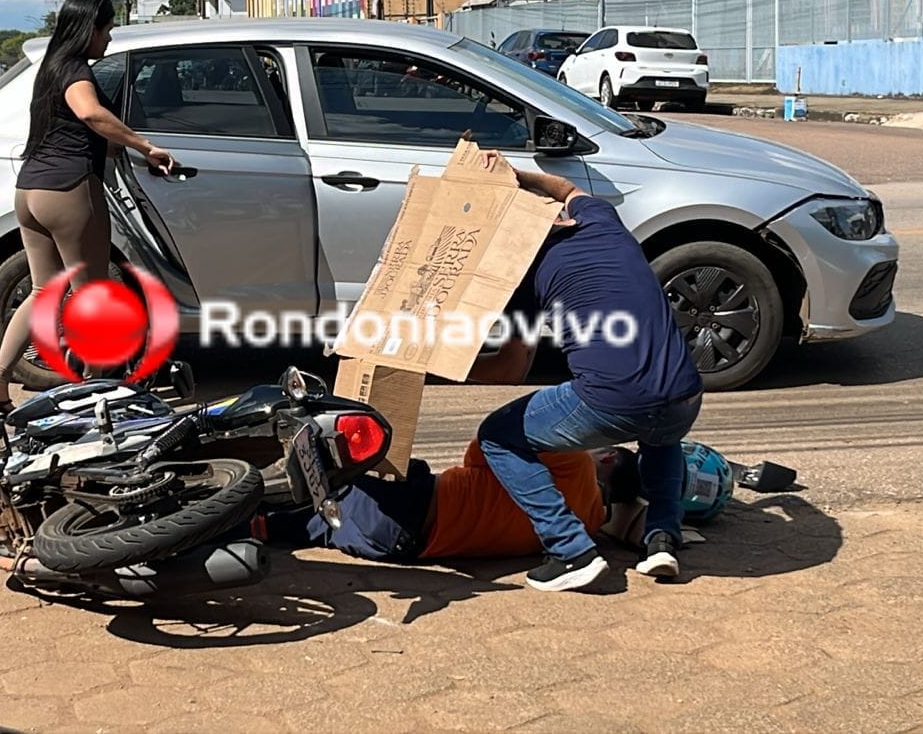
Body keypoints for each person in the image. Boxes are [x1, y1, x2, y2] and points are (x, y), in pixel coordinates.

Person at [467, 149, 704, 593]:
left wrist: (442, 369)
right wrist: (515, 174)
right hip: (686, 393)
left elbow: (511, 368)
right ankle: (661, 540)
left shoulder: (526, 272)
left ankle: (571, 550)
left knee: (499, 435)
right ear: (557, 218)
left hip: (613, 400)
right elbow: (565, 188)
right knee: (661, 433)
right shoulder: (599, 219)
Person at [0, 0, 176, 413]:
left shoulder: (49, 69)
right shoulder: (76, 72)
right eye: (105, 29)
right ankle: (93, 394)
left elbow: (77, 128)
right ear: (89, 29)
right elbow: (90, 114)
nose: (108, 39)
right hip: (68, 189)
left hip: (30, 190)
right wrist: (145, 147)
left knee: (42, 291)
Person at [254, 443, 648, 563]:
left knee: (356, 440)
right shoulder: (587, 529)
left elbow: (482, 449)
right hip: (398, 547)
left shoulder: (576, 461)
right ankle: (222, 527)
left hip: (413, 502)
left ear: (609, 457)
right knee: (305, 524)